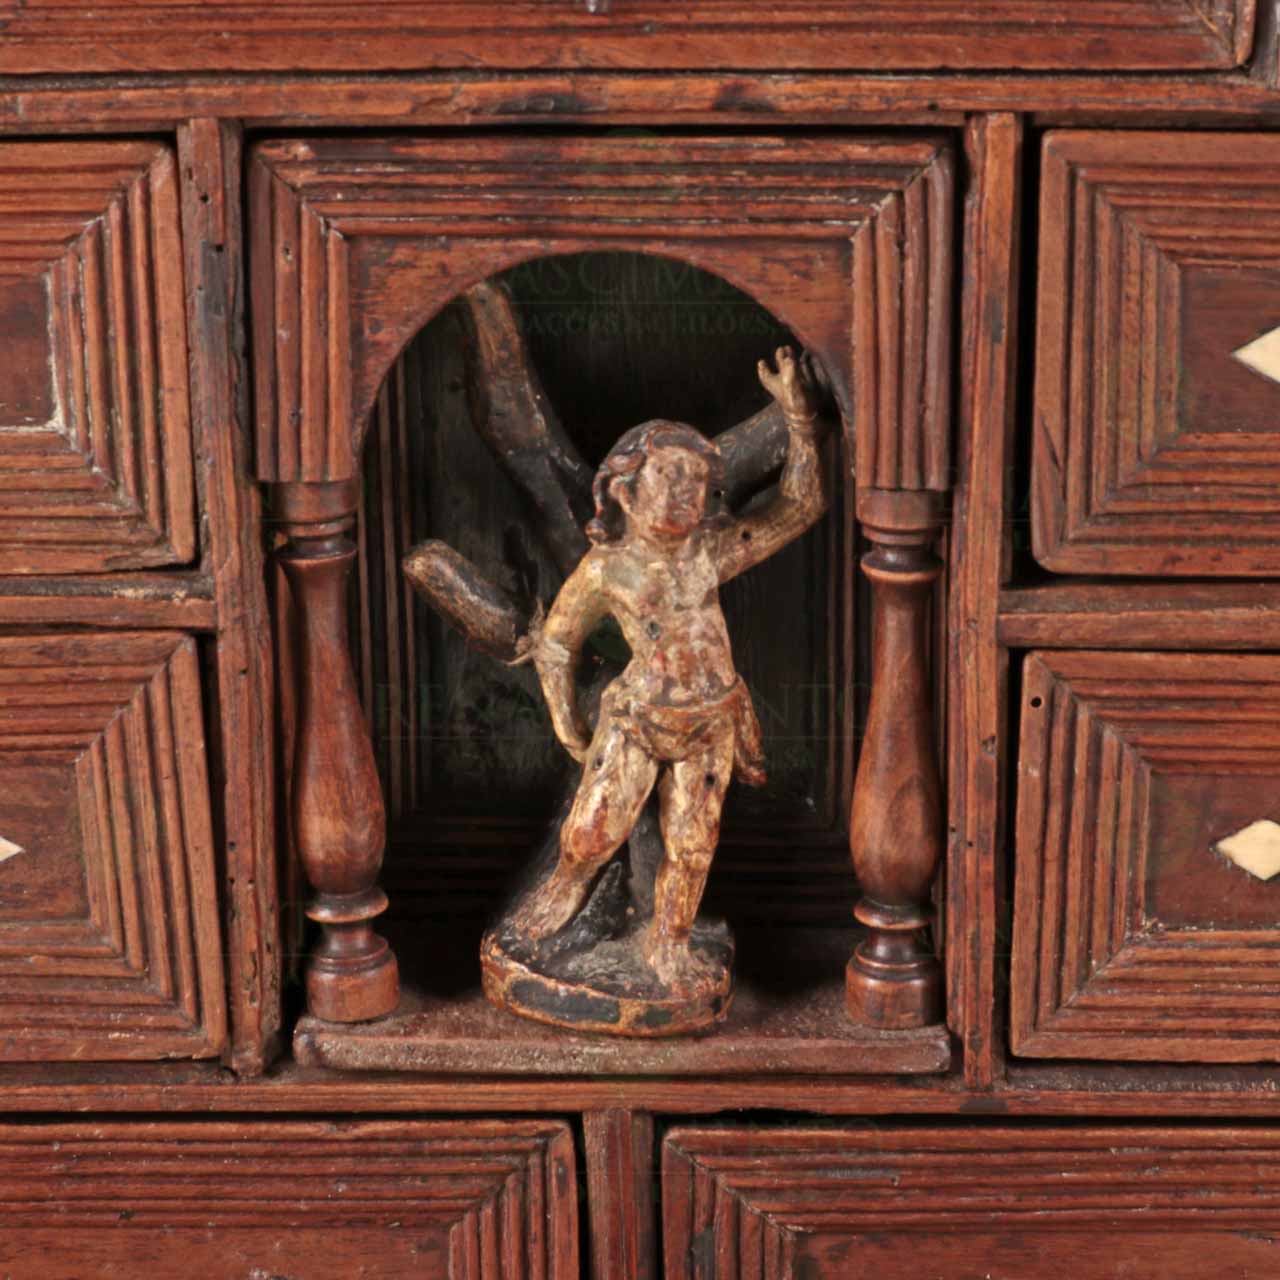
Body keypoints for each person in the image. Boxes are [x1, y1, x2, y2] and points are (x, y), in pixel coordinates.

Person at [510, 346, 828, 994]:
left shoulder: (711, 551)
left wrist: (799, 422)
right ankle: (564, 888)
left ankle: (669, 943)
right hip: (638, 716)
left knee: (693, 843)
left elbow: (800, 507)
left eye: (696, 479)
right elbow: (558, 642)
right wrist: (566, 721)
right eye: (669, 475)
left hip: (711, 720)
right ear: (624, 491)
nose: (686, 490)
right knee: (593, 830)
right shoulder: (607, 569)